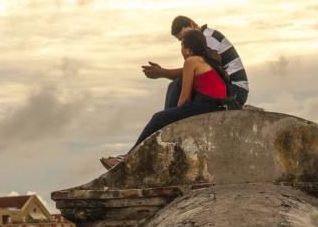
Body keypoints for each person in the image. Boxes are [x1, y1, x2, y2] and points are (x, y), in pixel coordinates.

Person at [101, 30, 233, 169]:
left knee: (158, 118)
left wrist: (173, 118)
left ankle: (128, 158)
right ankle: (136, 155)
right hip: (215, 105)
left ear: (187, 49)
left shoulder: (191, 61)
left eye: (181, 46)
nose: (181, 50)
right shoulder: (208, 61)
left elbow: (185, 96)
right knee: (172, 91)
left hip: (204, 106)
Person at [144, 16, 249, 109]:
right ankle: (172, 118)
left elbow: (196, 71)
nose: (185, 42)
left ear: (193, 25)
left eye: (185, 37)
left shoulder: (208, 38)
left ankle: (170, 120)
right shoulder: (202, 40)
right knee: (176, 85)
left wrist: (163, 72)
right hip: (227, 87)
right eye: (181, 40)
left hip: (236, 90)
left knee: (178, 84)